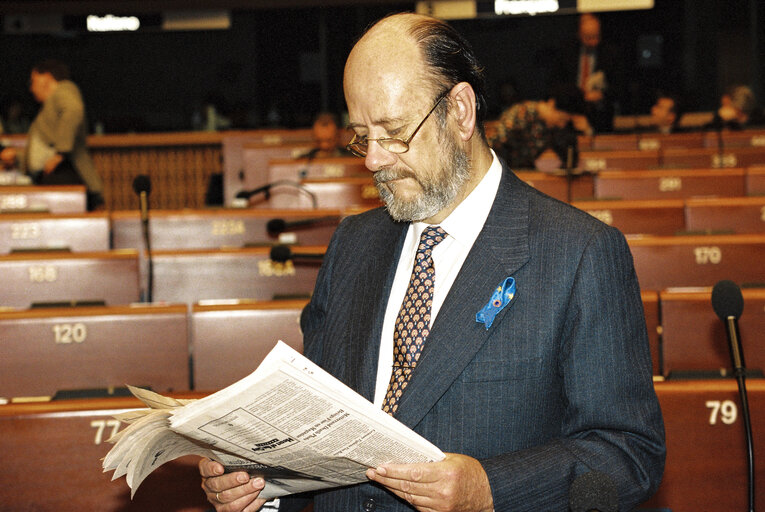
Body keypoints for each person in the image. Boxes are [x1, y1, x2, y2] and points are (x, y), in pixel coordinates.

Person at [199, 12, 665, 512]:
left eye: (395, 132)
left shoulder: (580, 254)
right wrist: (258, 485)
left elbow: (630, 453)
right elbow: (314, 431)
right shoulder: (352, 246)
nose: (374, 159)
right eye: (362, 136)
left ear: (460, 111)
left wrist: (490, 489)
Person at [0, 60, 104, 210]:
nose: (31, 88)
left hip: (67, 174)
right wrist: (17, 156)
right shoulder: (50, 105)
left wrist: (60, 153)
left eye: (33, 81)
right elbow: (44, 148)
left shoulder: (64, 89)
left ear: (46, 78)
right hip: (54, 176)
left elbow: (74, 110)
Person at [488, 84, 591, 170]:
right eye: (561, 119)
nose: (562, 124)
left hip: (525, 176)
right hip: (502, 173)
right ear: (551, 104)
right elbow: (491, 146)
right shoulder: (520, 114)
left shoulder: (555, 128)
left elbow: (569, 158)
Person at [551, 13, 624, 133]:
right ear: (579, 34)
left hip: (600, 116)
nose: (593, 42)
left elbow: (620, 86)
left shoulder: (610, 53)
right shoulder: (566, 52)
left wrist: (602, 95)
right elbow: (555, 85)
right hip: (571, 114)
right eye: (588, 37)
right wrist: (580, 95)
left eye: (596, 36)